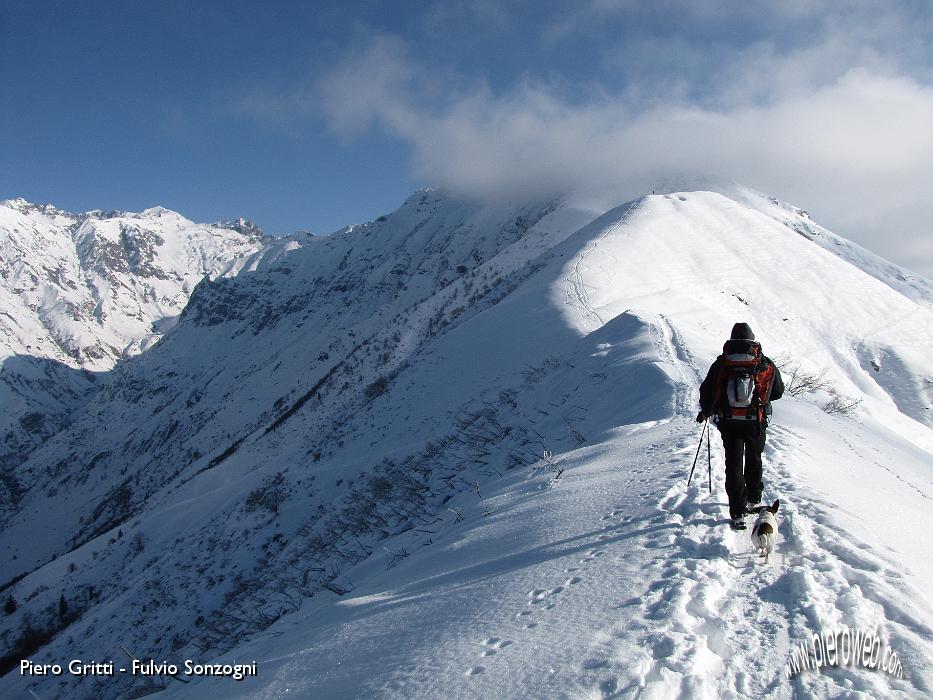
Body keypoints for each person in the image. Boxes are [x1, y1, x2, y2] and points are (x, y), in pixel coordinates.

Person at [697, 322, 784, 530]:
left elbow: (708, 390)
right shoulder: (763, 362)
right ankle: (753, 498)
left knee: (733, 464)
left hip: (729, 421)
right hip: (755, 421)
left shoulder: (722, 363)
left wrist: (706, 411)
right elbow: (778, 391)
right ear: (751, 339)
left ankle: (737, 512)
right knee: (754, 458)